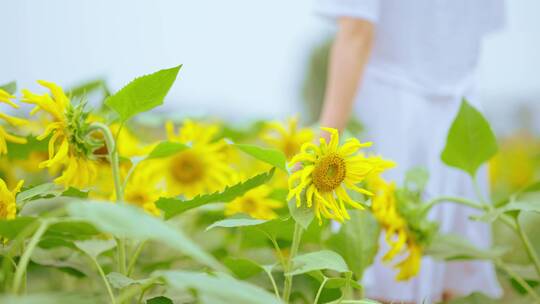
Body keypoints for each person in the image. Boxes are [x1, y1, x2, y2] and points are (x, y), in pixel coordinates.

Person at [314, 0, 505, 302]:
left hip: (392, 115)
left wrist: (320, 151)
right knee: (448, 276)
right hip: (462, 110)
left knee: (378, 278)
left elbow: (356, 32)